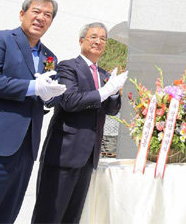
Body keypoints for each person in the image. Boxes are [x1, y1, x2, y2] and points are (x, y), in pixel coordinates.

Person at [0, 0, 65, 223]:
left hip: (24, 152)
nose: (41, 18)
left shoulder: (50, 56)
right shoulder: (0, 40)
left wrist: (50, 96)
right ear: (22, 14)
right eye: (36, 11)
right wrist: (32, 87)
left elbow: (43, 95)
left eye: (47, 15)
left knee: (5, 216)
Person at [31, 22, 127, 224]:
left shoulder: (103, 74)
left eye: (102, 38)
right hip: (64, 154)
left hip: (89, 156)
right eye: (93, 37)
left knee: (72, 216)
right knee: (50, 214)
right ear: (81, 40)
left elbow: (111, 110)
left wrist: (113, 93)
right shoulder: (68, 66)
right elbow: (69, 101)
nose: (98, 41)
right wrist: (104, 91)